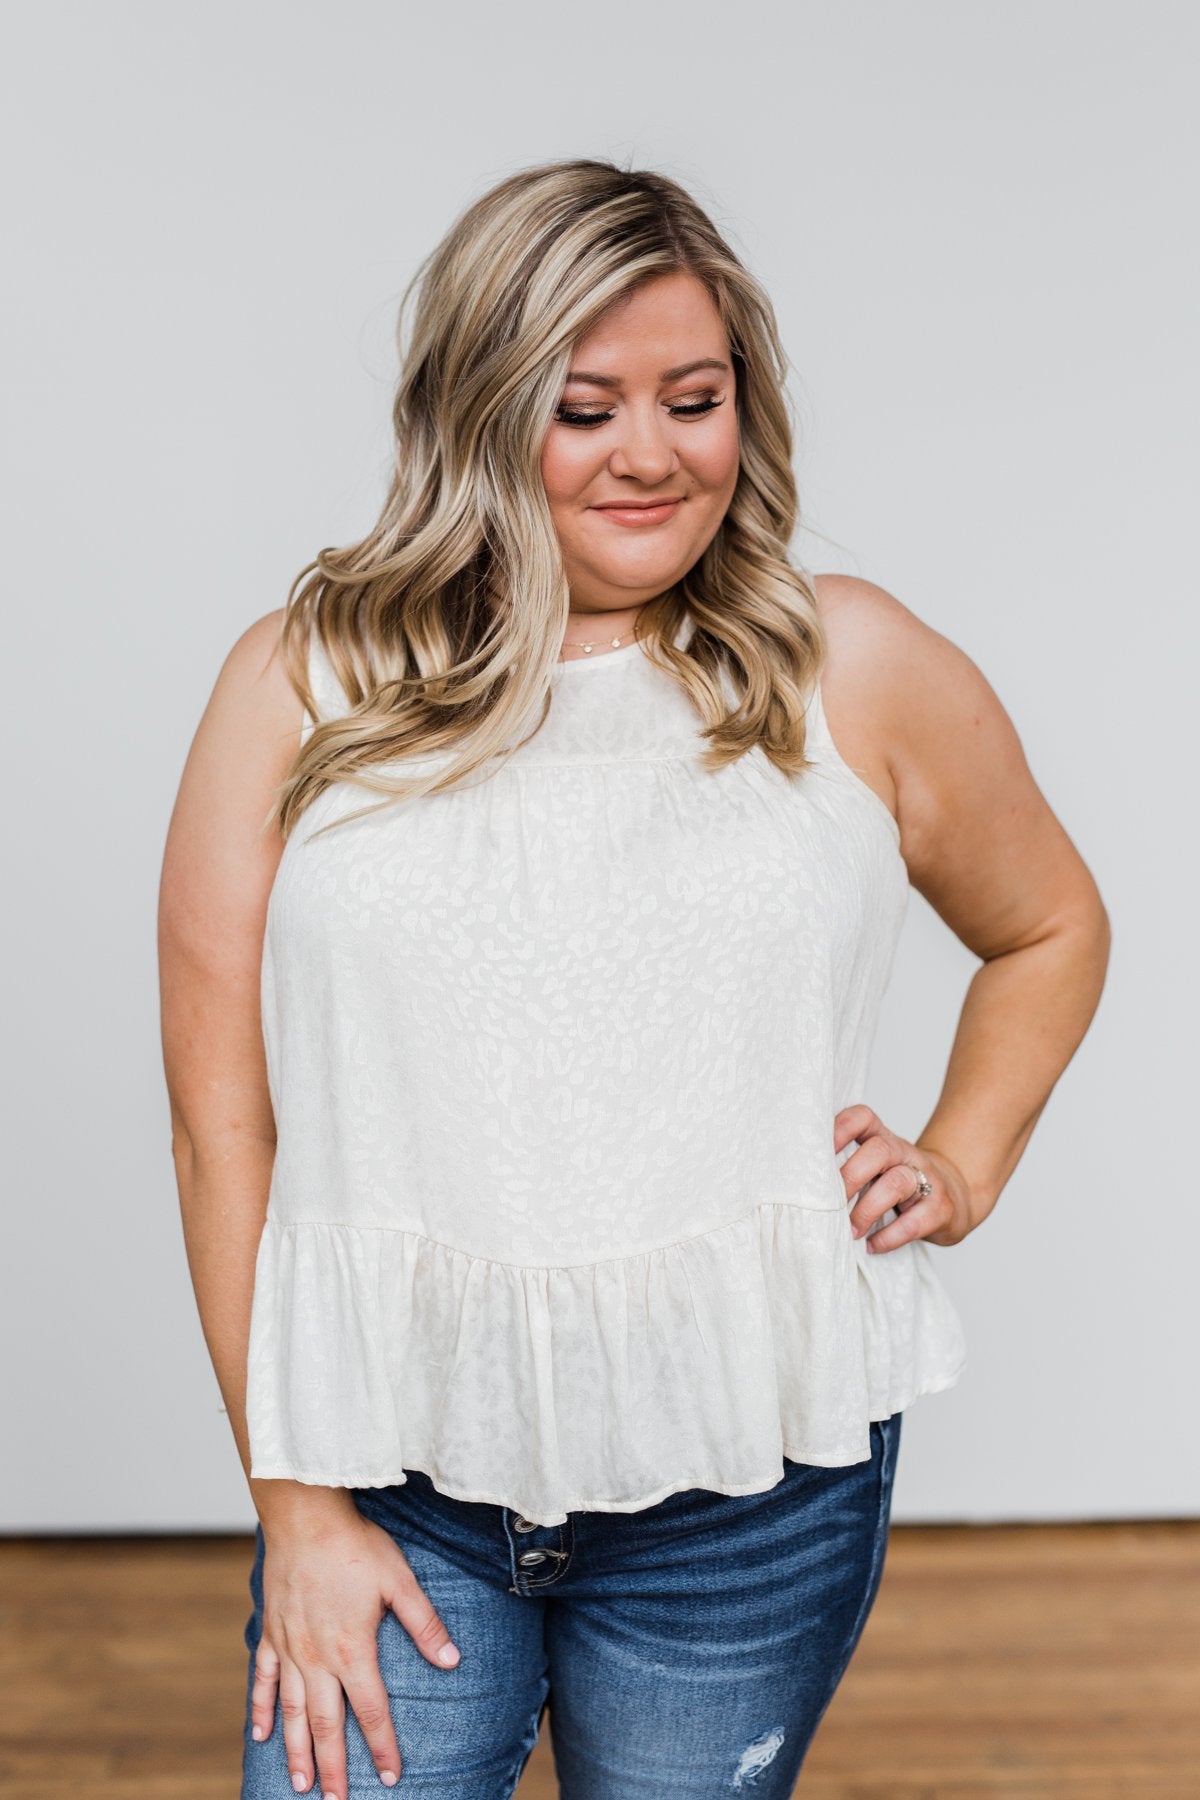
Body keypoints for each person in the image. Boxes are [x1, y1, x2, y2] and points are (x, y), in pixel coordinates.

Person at [158, 158, 1110, 1800]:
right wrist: (294, 1505)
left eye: (696, 398)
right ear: (476, 411)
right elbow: (218, 1125)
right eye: (585, 407)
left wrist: (963, 1161)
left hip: (749, 1492)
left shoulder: (849, 663)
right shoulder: (305, 679)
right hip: (389, 1474)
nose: (653, 455)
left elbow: (1051, 926)